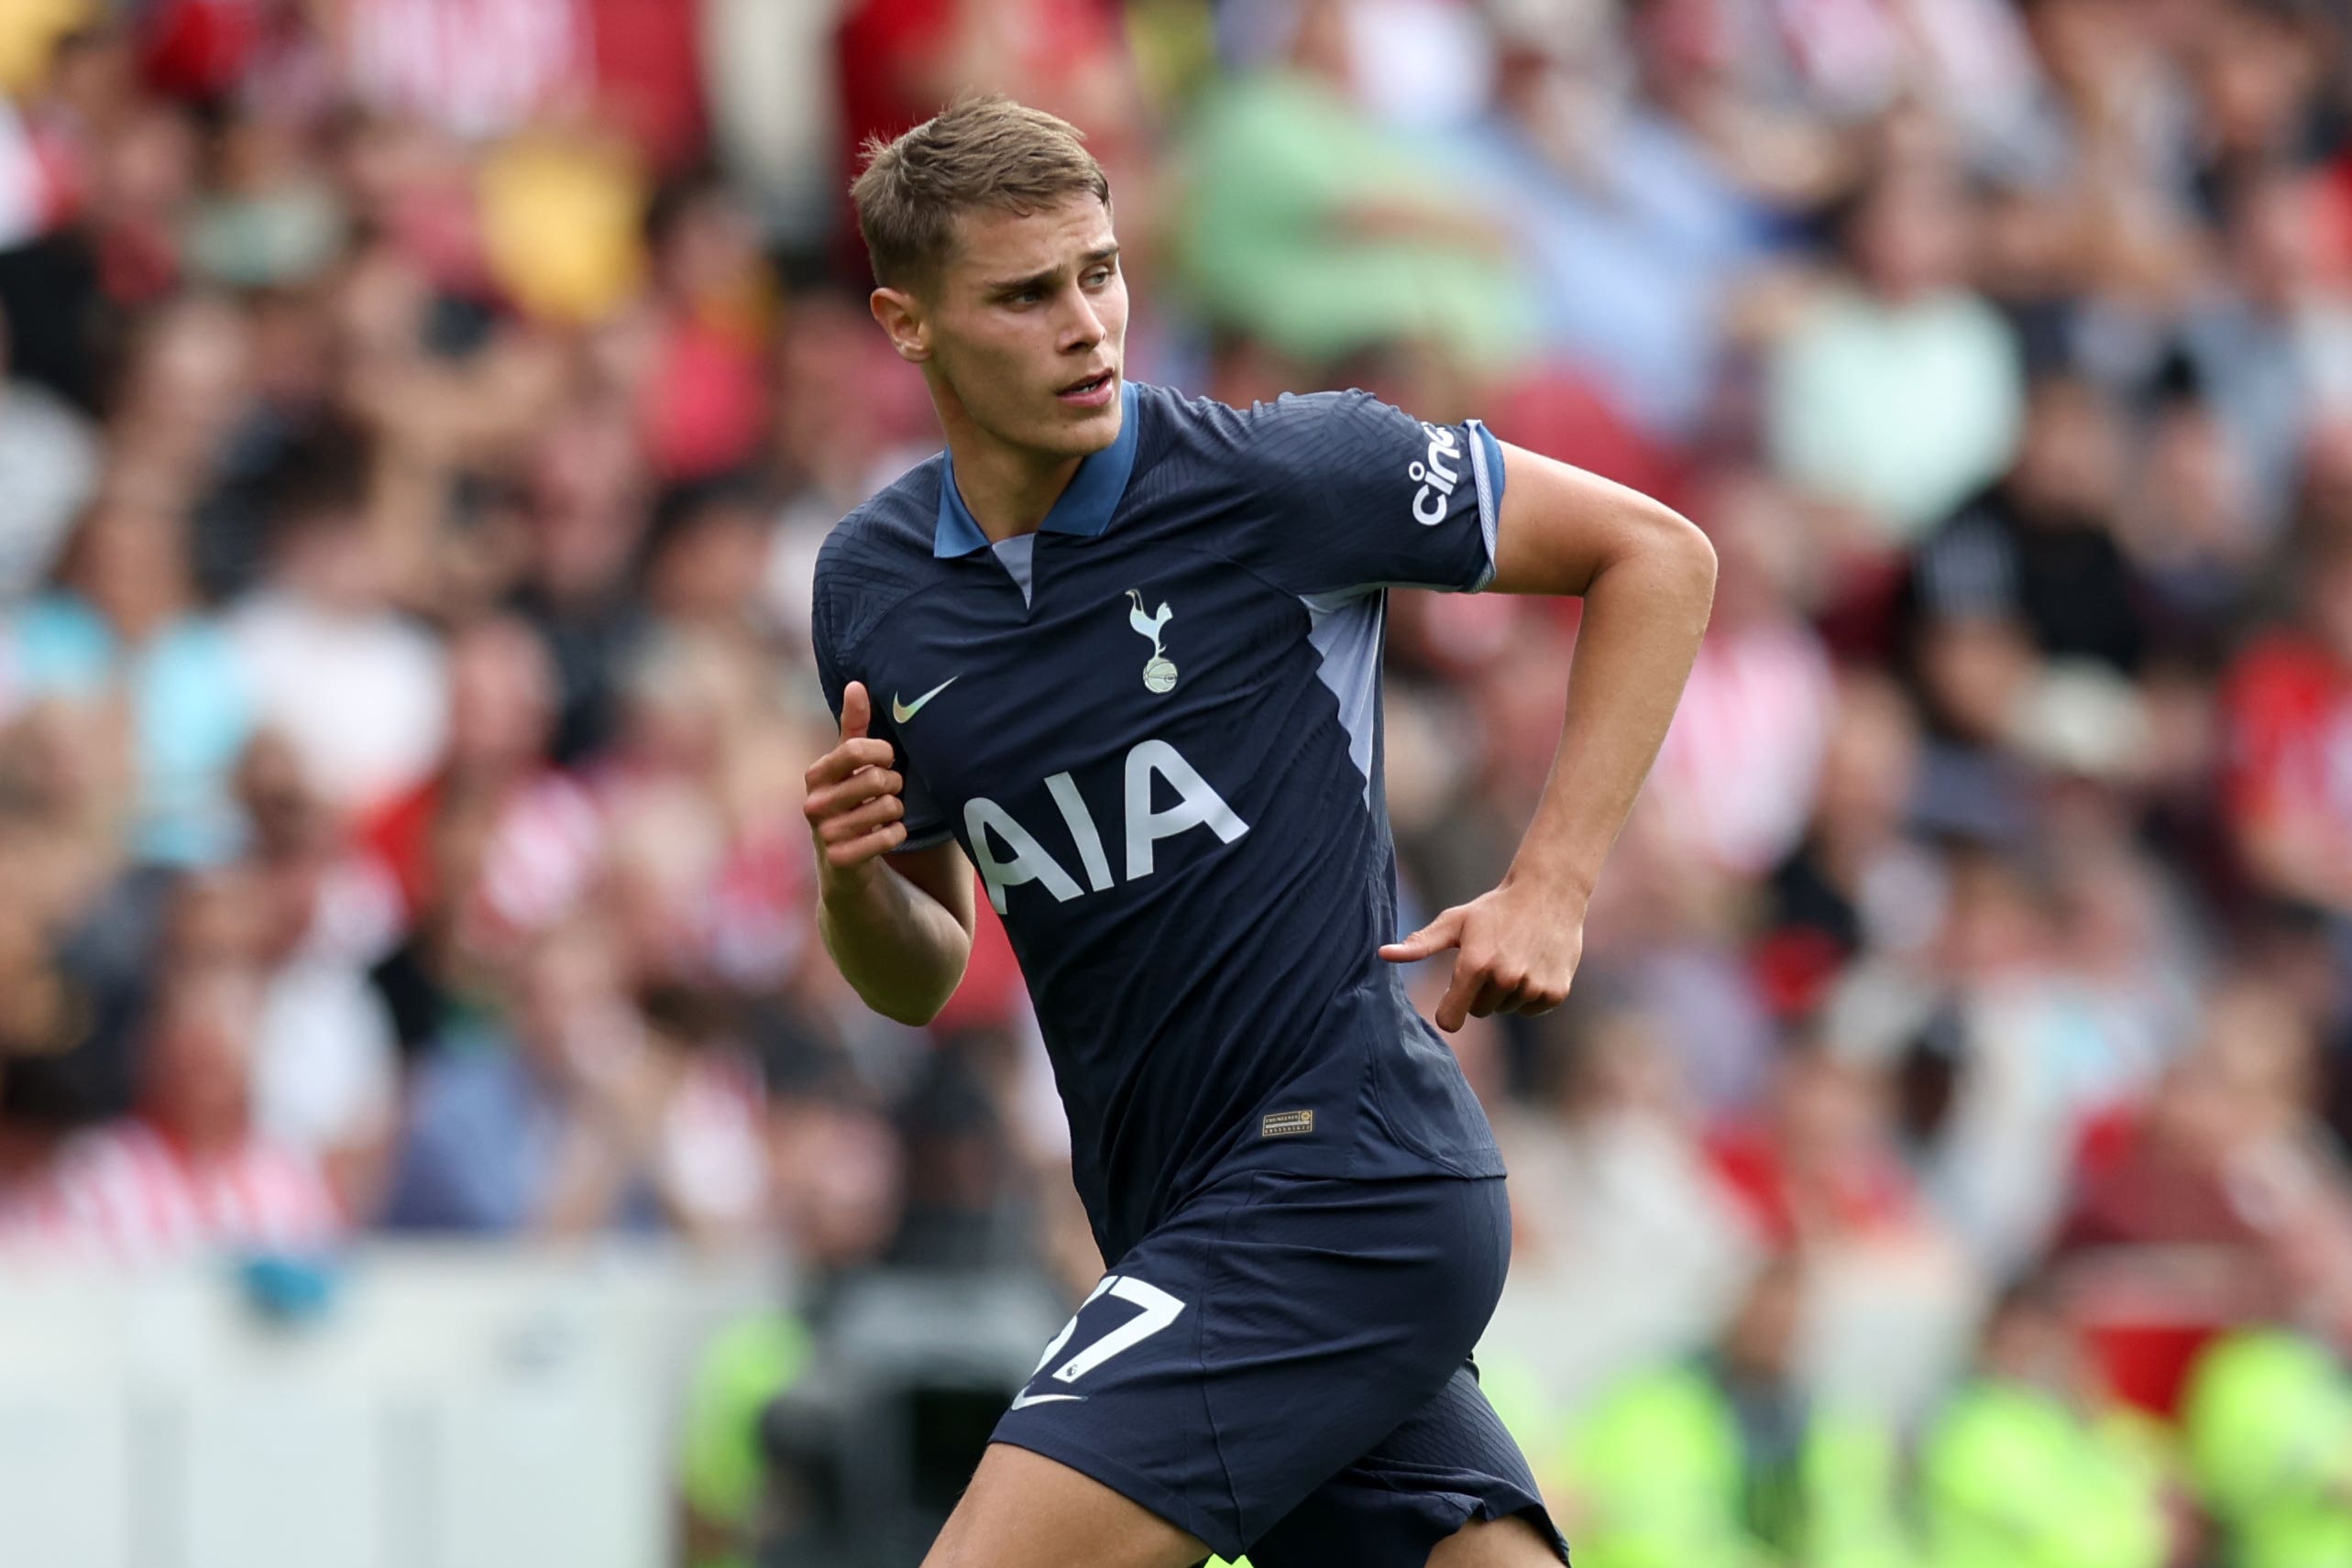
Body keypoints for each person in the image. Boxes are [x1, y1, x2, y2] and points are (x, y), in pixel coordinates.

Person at [800, 96, 1716, 1568]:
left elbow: (1655, 555)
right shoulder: (875, 586)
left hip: (1341, 1168)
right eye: (1024, 296)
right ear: (906, 325)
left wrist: (1550, 882)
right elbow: (916, 973)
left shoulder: (1276, 477)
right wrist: (850, 880)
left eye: (1098, 272)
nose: (1086, 325)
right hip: (1175, 1216)